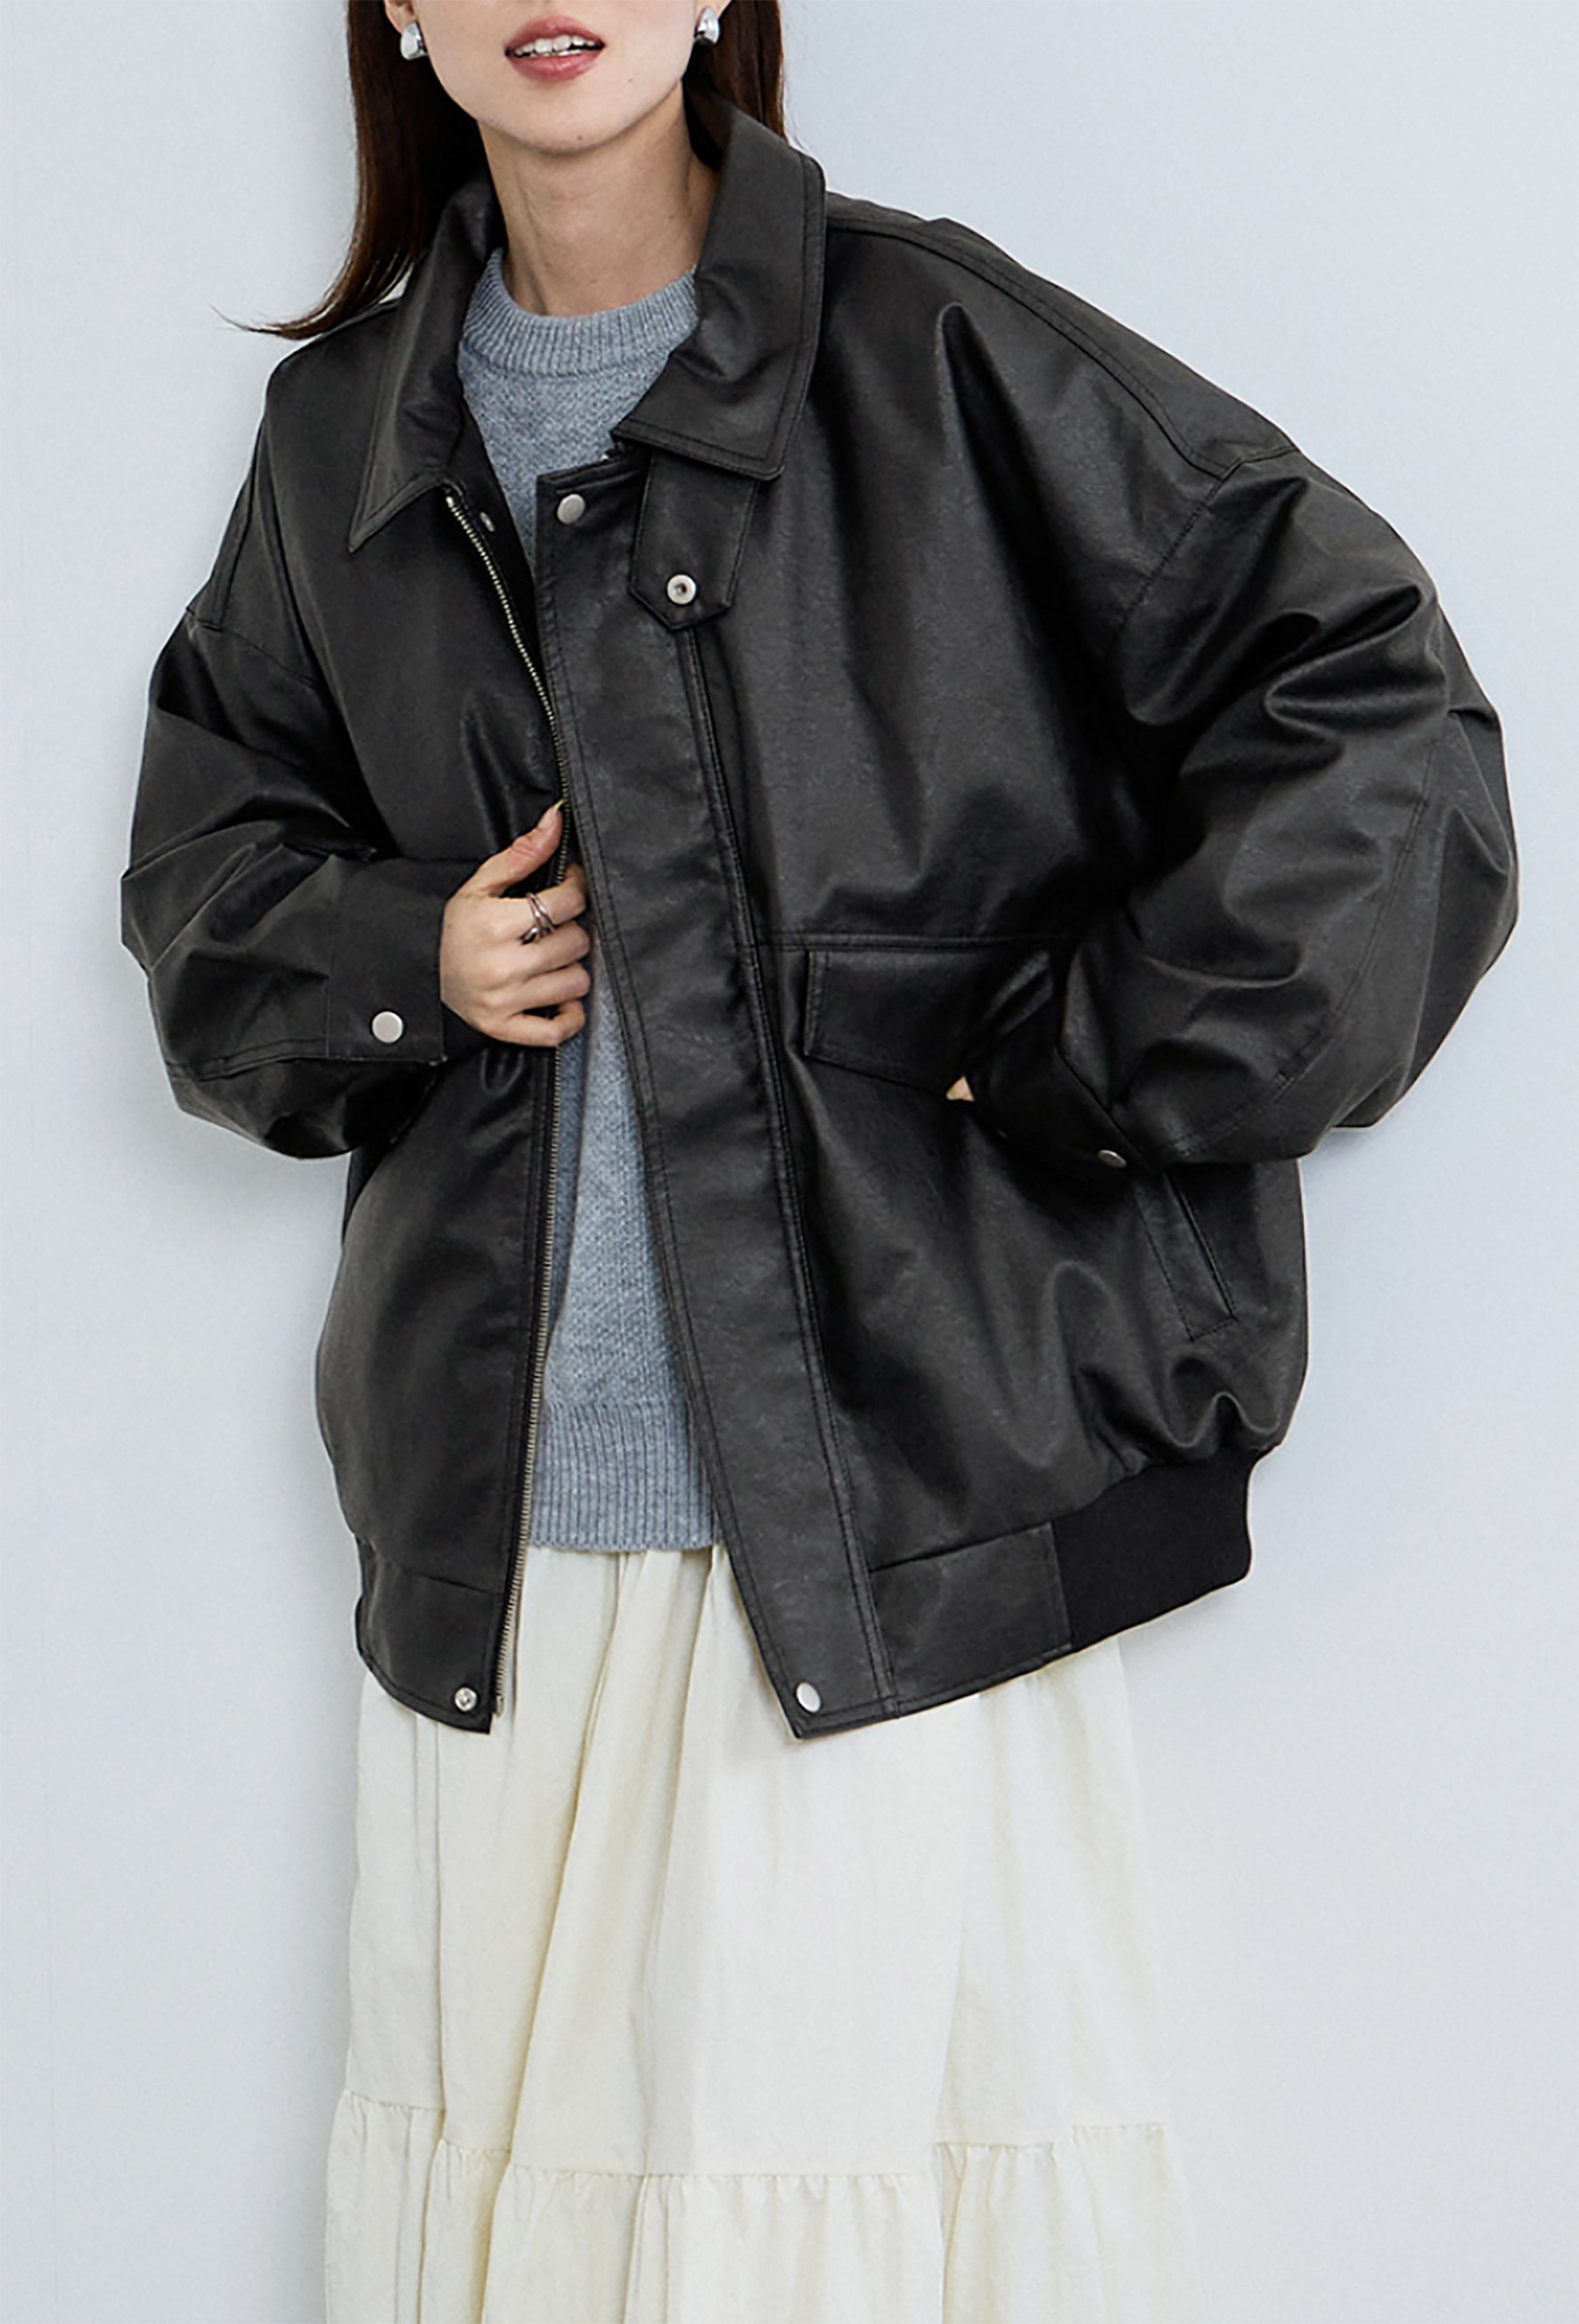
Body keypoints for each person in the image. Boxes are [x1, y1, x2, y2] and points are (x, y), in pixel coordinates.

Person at [118, 1, 1518, 2316]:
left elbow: (1372, 710)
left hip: (882, 1499)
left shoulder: (928, 343)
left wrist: (1091, 1057)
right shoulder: (342, 429)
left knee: (823, 2226)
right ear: (397, 13)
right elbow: (205, 872)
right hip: (502, 1535)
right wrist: (404, 954)